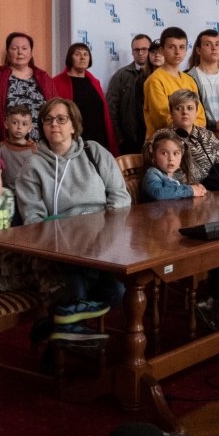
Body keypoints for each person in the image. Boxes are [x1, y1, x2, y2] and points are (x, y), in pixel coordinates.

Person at [0, 149, 106, 344]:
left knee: (44, 262)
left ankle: (59, 322)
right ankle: (64, 319)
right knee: (36, 261)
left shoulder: (8, 197)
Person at [15, 97, 132, 322]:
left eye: (61, 119)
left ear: (73, 125)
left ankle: (69, 324)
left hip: (101, 241)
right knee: (74, 295)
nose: (54, 125)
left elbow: (120, 197)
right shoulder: (32, 167)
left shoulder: (94, 152)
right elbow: (33, 219)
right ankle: (72, 332)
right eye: (48, 120)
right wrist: (67, 235)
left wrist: (100, 232)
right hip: (61, 247)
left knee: (117, 294)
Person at [167, 88, 219, 186]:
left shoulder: (208, 135)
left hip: (214, 189)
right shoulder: (163, 137)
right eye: (179, 108)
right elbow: (167, 174)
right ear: (171, 113)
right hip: (182, 193)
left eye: (190, 108)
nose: (185, 112)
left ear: (196, 112)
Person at [0, 31, 58, 145]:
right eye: (14, 48)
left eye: (24, 48)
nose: (20, 52)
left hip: (42, 147)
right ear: (8, 53)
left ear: (30, 53)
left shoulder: (45, 79)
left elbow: (56, 109)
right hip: (9, 147)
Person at [53, 42, 116, 153]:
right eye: (77, 54)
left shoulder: (94, 82)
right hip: (74, 142)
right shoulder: (57, 82)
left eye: (86, 54)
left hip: (99, 141)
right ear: (70, 58)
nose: (82, 57)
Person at [143, 27, 205, 138]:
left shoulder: (189, 80)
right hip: (163, 144)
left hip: (192, 141)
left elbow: (200, 117)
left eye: (182, 47)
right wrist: (188, 129)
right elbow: (163, 119)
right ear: (162, 50)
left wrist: (193, 133)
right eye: (172, 47)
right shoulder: (155, 80)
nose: (177, 52)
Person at [105, 34, 151, 154]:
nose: (140, 53)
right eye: (136, 50)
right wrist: (120, 139)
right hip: (129, 142)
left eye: (144, 49)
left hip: (155, 140)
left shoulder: (160, 75)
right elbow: (111, 109)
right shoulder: (121, 76)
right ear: (132, 52)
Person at [141, 129, 206, 201]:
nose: (171, 158)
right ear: (154, 156)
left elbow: (175, 193)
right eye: (164, 153)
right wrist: (191, 190)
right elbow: (159, 194)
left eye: (176, 153)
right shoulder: (153, 173)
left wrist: (196, 189)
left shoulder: (173, 177)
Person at [0, 104, 37, 190]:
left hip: (26, 193)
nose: (19, 127)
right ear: (6, 124)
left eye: (24, 124)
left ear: (30, 128)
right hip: (3, 193)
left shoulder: (34, 150)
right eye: (15, 123)